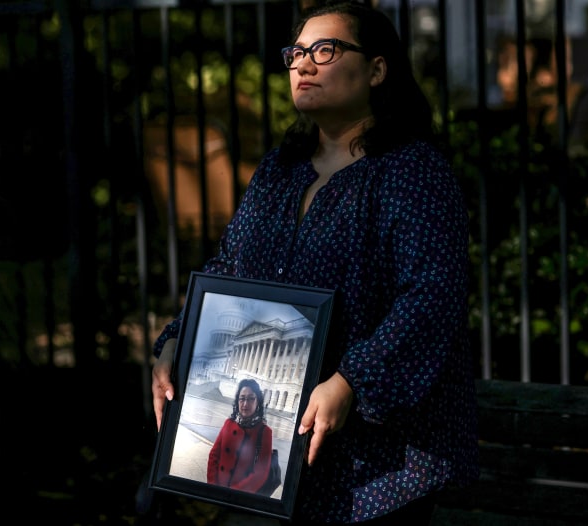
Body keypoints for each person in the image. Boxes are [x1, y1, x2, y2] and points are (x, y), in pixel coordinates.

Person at [151, 2, 480, 524]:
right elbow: (230, 270)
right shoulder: (279, 172)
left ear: (376, 69)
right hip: (277, 461)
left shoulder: (411, 172)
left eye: (325, 50)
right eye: (296, 52)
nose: (303, 64)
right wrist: (178, 339)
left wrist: (351, 380)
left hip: (376, 469)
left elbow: (431, 298)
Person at [206, 378, 274, 494]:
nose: (245, 404)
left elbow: (261, 473)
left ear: (258, 402)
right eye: (242, 398)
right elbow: (214, 455)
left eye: (251, 399)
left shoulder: (265, 432)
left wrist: (235, 493)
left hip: (242, 495)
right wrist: (213, 485)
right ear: (237, 401)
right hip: (218, 489)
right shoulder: (228, 423)